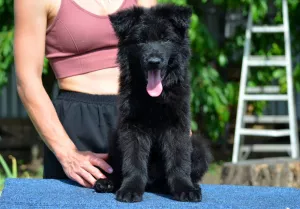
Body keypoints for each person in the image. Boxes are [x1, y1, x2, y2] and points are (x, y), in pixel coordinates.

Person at [13, 0, 157, 189]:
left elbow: (159, 59)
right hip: (78, 124)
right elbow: (27, 80)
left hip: (140, 116)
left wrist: (173, 114)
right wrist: (67, 152)